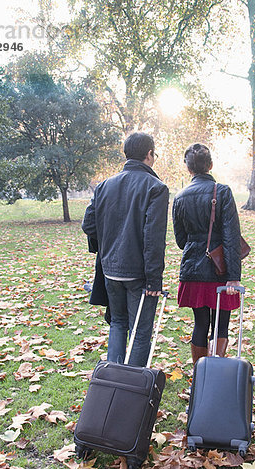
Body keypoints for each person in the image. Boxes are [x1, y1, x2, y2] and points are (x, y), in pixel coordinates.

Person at [82, 132, 169, 366]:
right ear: (149, 154)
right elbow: (154, 238)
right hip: (139, 273)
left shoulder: (104, 186)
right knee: (140, 331)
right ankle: (131, 388)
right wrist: (154, 281)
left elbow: (88, 225)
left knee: (118, 323)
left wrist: (109, 246)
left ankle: (114, 379)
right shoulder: (156, 187)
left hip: (110, 269)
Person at [172, 143, 242, 365]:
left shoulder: (180, 197)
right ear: (211, 165)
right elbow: (231, 236)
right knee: (221, 324)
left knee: (200, 324)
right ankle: (216, 373)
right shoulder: (222, 192)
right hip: (220, 270)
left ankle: (200, 374)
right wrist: (233, 275)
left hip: (193, 269)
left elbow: (181, 240)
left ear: (188, 169)